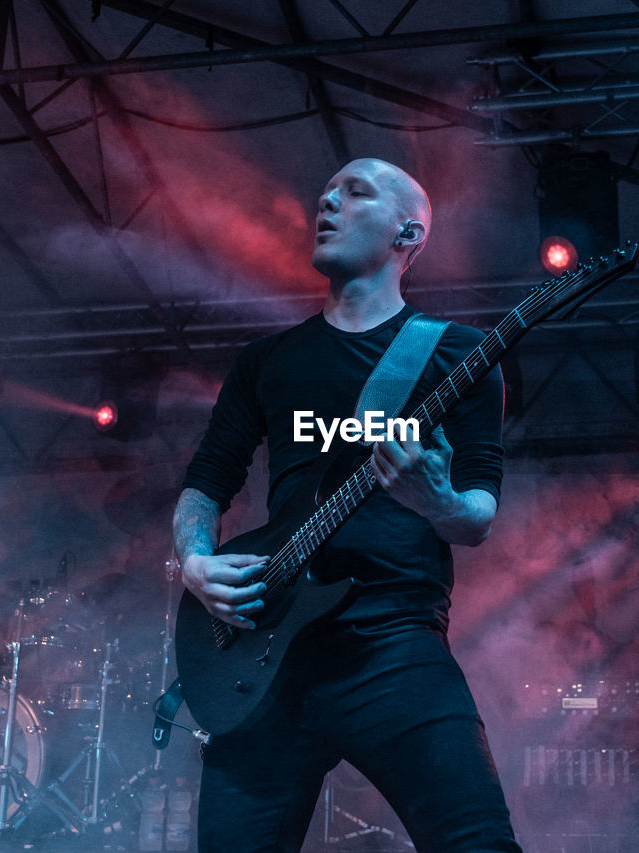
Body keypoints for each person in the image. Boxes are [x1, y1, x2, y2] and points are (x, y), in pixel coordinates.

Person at [171, 158, 520, 852]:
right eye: (324, 190)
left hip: (392, 639)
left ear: (408, 231)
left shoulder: (459, 352)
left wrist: (438, 500)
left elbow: (478, 513)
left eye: (354, 191)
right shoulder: (268, 360)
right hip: (264, 659)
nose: (326, 200)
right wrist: (194, 561)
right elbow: (207, 483)